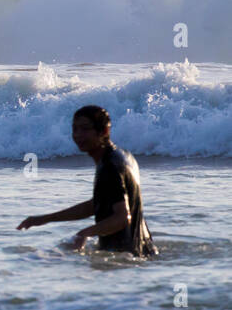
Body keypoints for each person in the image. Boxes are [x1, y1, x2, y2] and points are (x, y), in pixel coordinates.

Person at [17, 104, 157, 257]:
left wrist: (85, 233)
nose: (77, 135)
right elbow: (99, 203)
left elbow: (122, 218)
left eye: (84, 129)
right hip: (144, 251)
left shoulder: (109, 167)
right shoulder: (122, 156)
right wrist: (46, 219)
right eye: (75, 129)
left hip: (124, 256)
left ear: (104, 131)